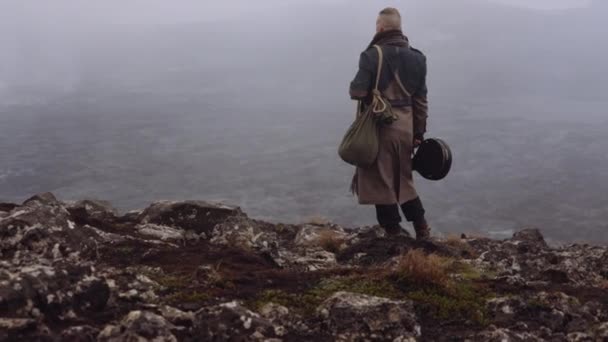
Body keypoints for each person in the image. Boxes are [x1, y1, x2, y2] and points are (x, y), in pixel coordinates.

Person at [349, 7, 431, 240]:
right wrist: (419, 132)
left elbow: (357, 91)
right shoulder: (418, 58)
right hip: (406, 127)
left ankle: (394, 232)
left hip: (379, 127)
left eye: (376, 24)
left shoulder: (371, 55)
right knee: (404, 179)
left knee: (379, 181)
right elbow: (421, 100)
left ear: (381, 27)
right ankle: (422, 227)